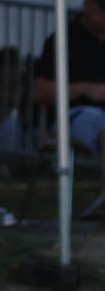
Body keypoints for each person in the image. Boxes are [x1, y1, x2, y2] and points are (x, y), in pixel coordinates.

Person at [34, 0, 105, 176]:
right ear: (88, 4)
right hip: (74, 114)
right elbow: (39, 91)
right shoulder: (63, 40)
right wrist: (84, 88)